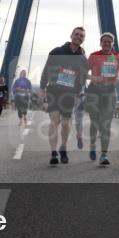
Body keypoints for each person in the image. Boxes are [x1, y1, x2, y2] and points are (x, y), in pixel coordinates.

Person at [39, 27, 88, 165]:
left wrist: (78, 92)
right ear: (71, 35)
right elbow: (46, 70)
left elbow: (82, 78)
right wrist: (42, 89)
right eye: (77, 34)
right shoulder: (57, 51)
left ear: (83, 39)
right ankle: (53, 152)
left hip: (69, 94)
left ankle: (63, 148)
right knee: (54, 121)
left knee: (66, 124)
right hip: (53, 91)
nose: (78, 37)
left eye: (81, 36)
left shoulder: (83, 58)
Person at [86, 32, 119, 166]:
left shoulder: (117, 57)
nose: (107, 43)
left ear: (112, 44)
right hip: (94, 92)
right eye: (104, 41)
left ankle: (104, 155)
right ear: (100, 43)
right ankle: (92, 145)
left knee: (106, 124)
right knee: (95, 122)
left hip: (109, 92)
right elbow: (83, 71)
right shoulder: (93, 56)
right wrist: (92, 77)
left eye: (109, 42)